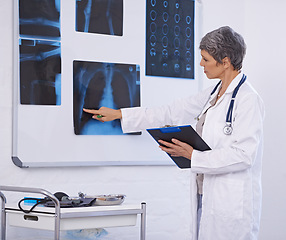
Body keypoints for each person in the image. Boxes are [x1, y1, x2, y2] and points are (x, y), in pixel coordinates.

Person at [83, 26, 265, 240]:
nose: (200, 64)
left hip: (231, 204)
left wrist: (192, 155)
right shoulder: (213, 93)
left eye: (205, 60)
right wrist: (120, 114)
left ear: (225, 62)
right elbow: (170, 113)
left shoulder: (248, 100)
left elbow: (244, 156)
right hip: (205, 197)